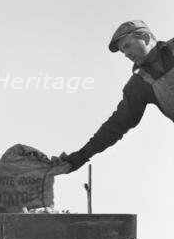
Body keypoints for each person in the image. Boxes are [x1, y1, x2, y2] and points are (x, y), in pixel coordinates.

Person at [62, 20, 174, 172]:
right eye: (122, 51)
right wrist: (80, 156)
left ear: (146, 38)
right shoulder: (139, 85)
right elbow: (116, 124)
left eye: (127, 46)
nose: (126, 54)